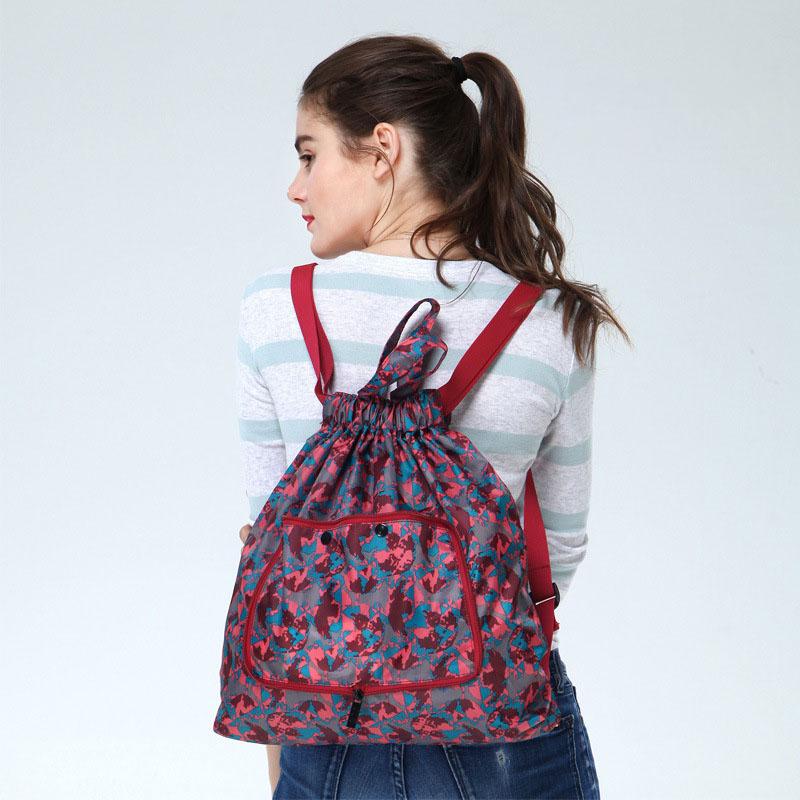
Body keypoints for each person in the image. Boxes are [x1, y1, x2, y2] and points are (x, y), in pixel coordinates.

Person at [236, 33, 629, 800]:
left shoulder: (274, 310)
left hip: (329, 721)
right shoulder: (551, 321)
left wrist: (289, 762)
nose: (295, 186)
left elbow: (272, 556)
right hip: (504, 722)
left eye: (310, 155)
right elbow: (557, 552)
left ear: (382, 150)